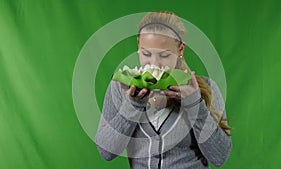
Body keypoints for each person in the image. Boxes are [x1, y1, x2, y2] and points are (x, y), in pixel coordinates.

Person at [96, 11, 232, 169]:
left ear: (180, 50)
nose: (154, 63)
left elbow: (220, 157)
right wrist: (132, 105)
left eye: (165, 55)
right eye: (146, 53)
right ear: (138, 46)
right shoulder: (121, 87)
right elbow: (106, 152)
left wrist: (195, 104)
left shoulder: (207, 87)